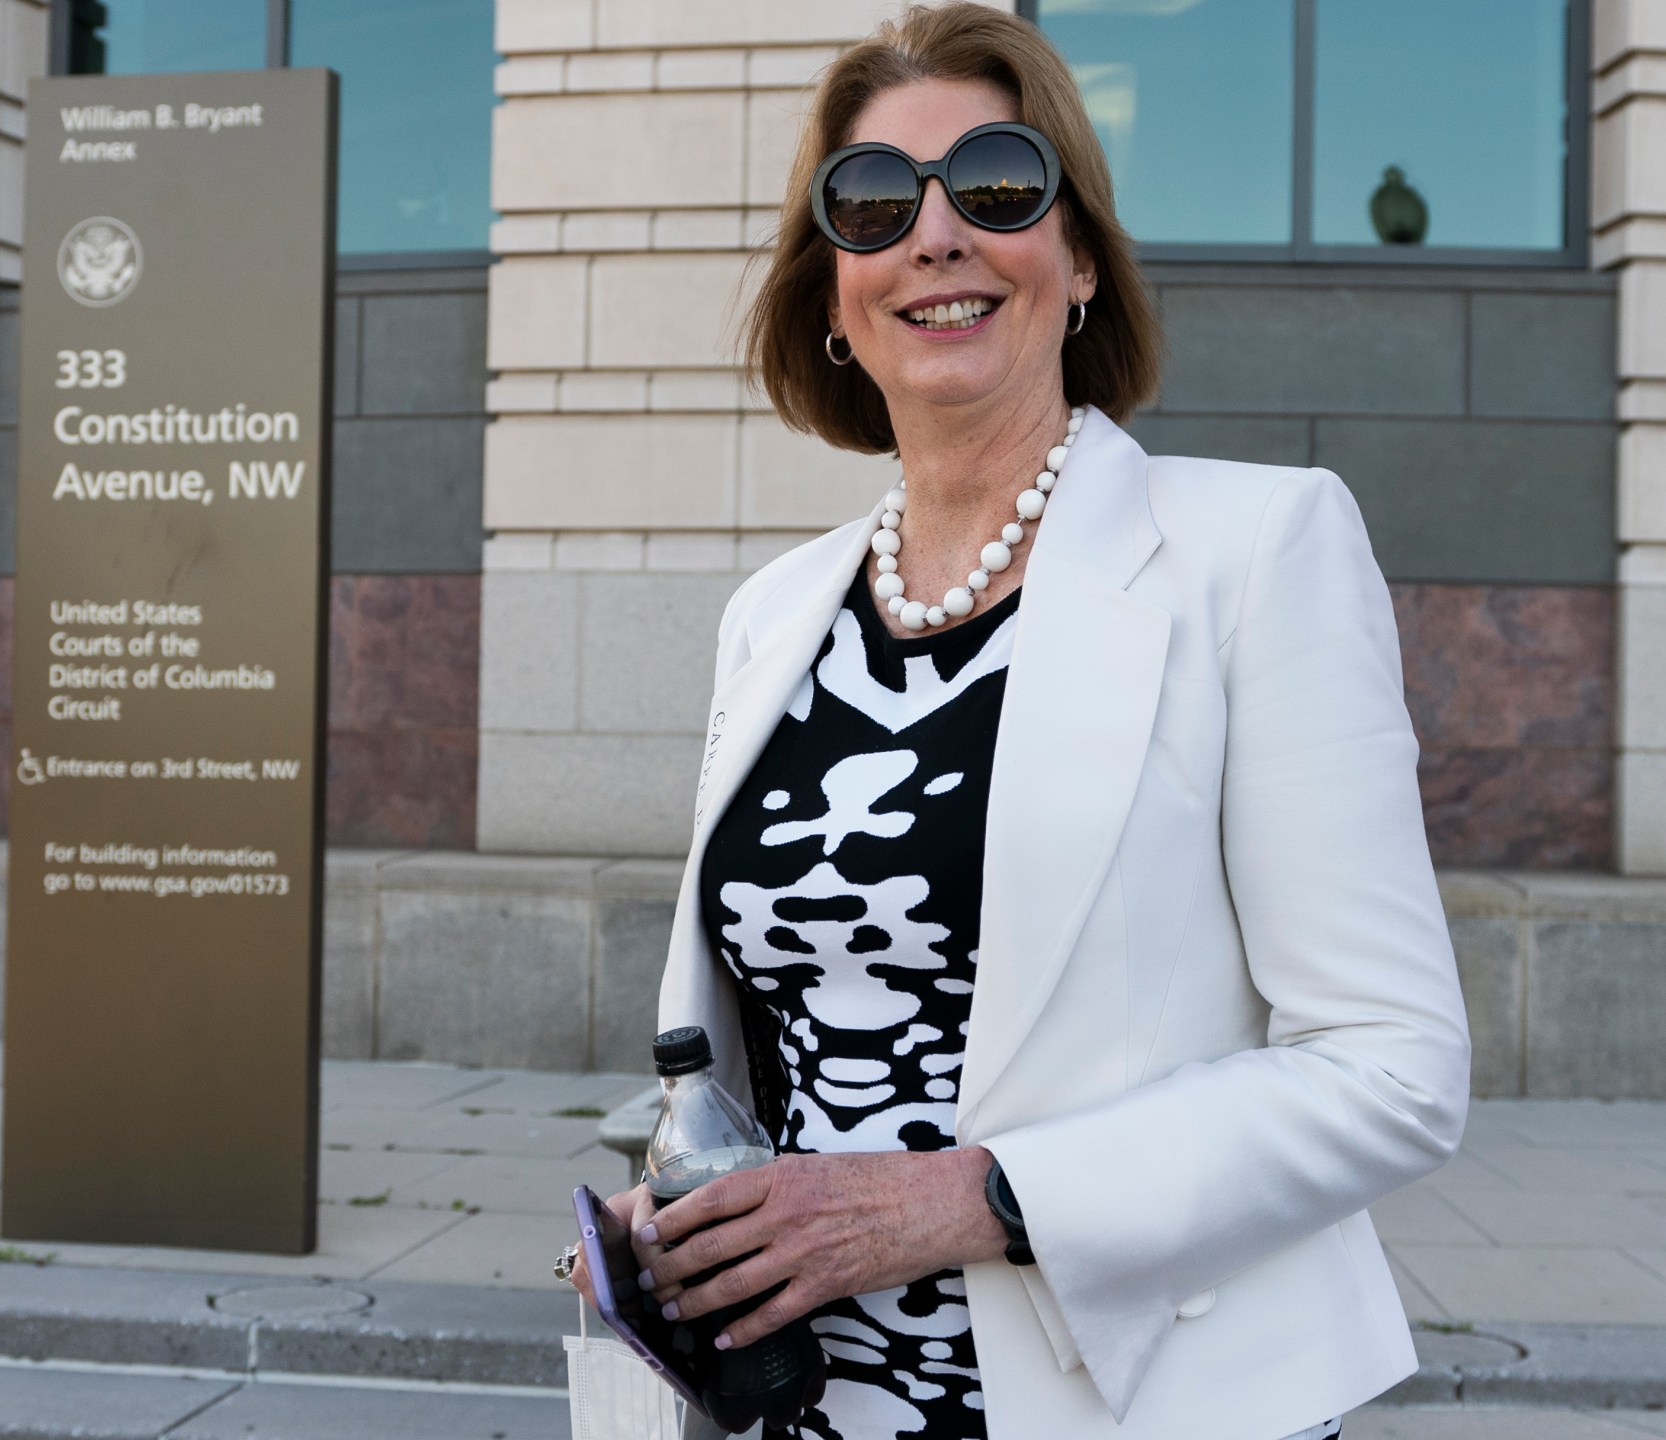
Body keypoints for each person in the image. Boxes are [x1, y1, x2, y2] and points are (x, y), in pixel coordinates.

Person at [568, 7, 1470, 1438]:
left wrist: (959, 1200)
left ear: (1084, 262)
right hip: (807, 1410)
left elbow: (1391, 1069)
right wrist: (695, 1217)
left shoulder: (1258, 550)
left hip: (1120, 1403)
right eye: (873, 204)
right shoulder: (775, 615)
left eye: (994, 187)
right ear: (830, 294)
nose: (934, 236)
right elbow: (770, 1055)